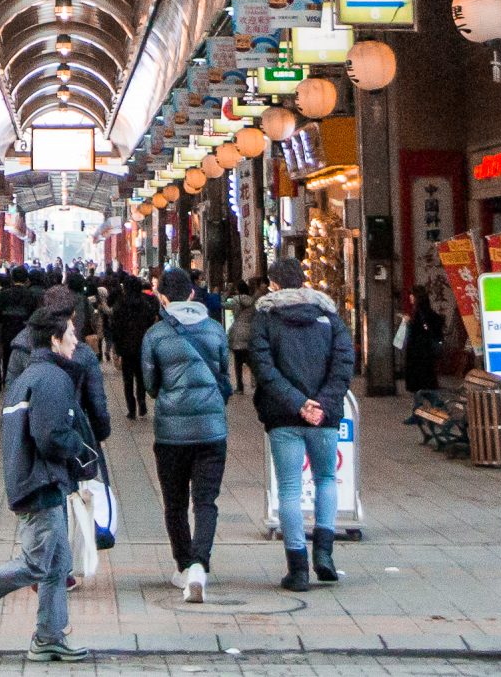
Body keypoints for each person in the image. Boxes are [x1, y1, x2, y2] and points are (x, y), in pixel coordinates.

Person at [0, 307, 95, 663]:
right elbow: (50, 436)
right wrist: (78, 448)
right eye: (71, 334)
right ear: (55, 340)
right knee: (39, 563)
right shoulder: (53, 379)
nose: (76, 341)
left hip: (30, 478)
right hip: (41, 483)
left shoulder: (30, 375)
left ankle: (50, 635)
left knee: (57, 563)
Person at [252, 257, 356, 591]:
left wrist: (298, 403)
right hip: (324, 418)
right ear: (303, 281)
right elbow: (343, 364)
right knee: (326, 478)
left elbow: (263, 368)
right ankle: (324, 553)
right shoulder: (329, 317)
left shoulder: (265, 319)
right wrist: (322, 404)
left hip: (284, 417)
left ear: (274, 285)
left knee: (290, 489)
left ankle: (297, 569)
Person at [142, 267, 231, 602]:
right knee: (206, 500)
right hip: (211, 430)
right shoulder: (214, 329)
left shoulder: (155, 335)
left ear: (162, 297)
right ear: (193, 294)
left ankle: (183, 565)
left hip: (171, 433)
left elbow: (151, 386)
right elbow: (224, 374)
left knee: (175, 503)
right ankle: (200, 566)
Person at [4, 286, 111, 446]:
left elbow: (12, 392)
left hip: (30, 435)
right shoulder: (82, 353)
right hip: (71, 434)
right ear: (73, 313)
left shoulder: (21, 347)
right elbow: (97, 401)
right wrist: (99, 432)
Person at [111, 273, 159, 420]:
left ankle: (131, 409)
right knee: (140, 377)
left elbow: (115, 327)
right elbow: (151, 321)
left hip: (125, 348)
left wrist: (116, 348)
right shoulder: (145, 303)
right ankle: (142, 404)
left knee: (127, 379)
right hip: (142, 346)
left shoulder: (120, 304)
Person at [0, 267, 41, 390]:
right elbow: (33, 315)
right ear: (26, 279)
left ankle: (8, 381)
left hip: (7, 329)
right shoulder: (29, 294)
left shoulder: (4, 294)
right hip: (24, 330)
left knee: (7, 356)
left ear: (12, 278)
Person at [401, 288, 446, 394]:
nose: (410, 298)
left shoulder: (419, 312)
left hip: (419, 349)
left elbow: (418, 329)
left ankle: (421, 394)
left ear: (418, 297)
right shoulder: (425, 310)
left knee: (420, 373)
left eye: (412, 296)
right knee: (427, 372)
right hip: (425, 349)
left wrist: (408, 322)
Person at [226, 284, 259, 396]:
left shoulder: (235, 300)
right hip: (249, 331)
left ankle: (240, 387)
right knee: (249, 359)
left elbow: (223, 304)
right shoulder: (253, 302)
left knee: (238, 361)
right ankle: (257, 381)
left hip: (237, 332)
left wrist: (227, 292)